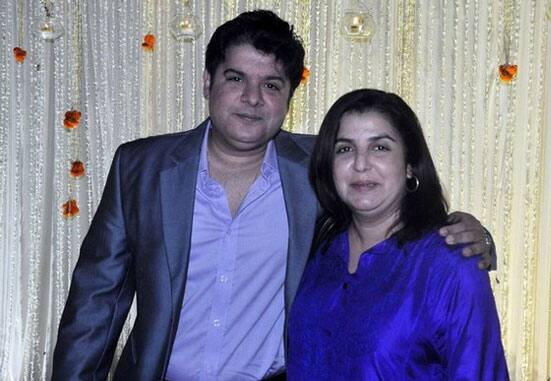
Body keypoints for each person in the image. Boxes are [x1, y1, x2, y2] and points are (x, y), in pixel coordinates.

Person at [52, 11, 495, 381]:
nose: (252, 98)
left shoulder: (321, 170)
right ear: (208, 81)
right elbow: (97, 302)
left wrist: (476, 235)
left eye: (271, 84)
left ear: (289, 97)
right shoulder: (141, 167)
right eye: (236, 78)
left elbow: (388, 210)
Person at [287, 89, 508, 380]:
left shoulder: (451, 265)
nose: (361, 163)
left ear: (409, 165)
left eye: (380, 147)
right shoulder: (317, 248)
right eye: (344, 149)